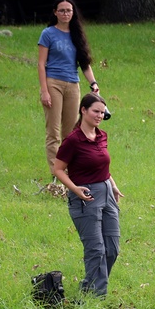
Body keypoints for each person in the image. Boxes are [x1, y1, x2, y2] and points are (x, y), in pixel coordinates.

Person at [53, 92, 123, 297]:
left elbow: (103, 166)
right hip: (85, 196)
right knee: (96, 250)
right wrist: (75, 189)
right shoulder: (73, 140)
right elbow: (57, 169)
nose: (100, 116)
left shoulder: (102, 136)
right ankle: (94, 297)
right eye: (96, 111)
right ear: (83, 110)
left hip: (107, 192)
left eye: (103, 112)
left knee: (111, 248)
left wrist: (113, 186)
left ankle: (90, 288)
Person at [38, 0, 99, 173]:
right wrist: (44, 91)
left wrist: (93, 83)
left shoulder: (76, 34)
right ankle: (56, 173)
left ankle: (70, 170)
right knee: (53, 132)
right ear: (55, 13)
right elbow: (41, 64)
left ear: (73, 13)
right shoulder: (48, 34)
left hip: (73, 85)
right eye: (62, 10)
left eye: (69, 10)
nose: (66, 14)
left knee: (71, 132)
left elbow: (84, 64)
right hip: (53, 83)